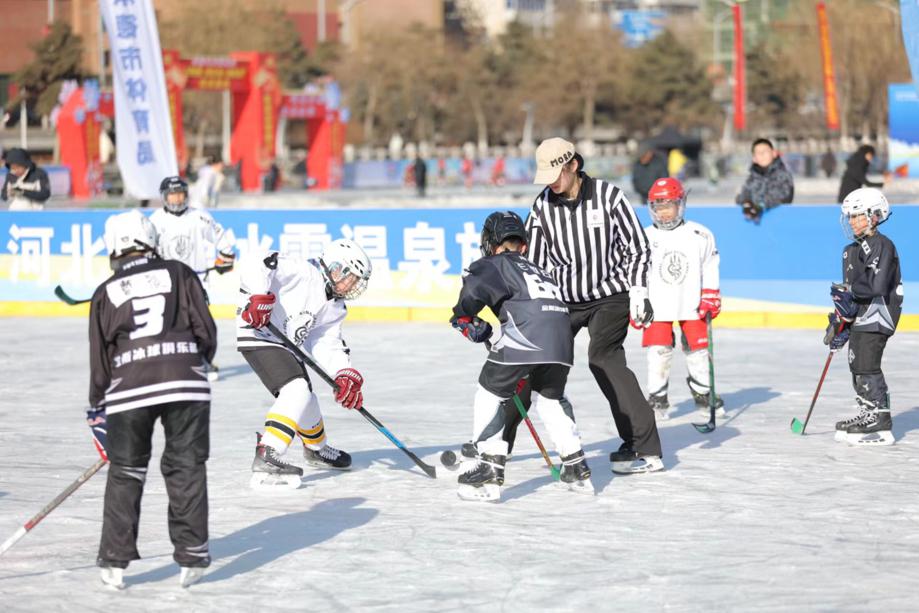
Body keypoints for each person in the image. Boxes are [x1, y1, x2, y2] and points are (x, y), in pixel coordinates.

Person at [87, 210, 217, 589]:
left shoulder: (105, 292)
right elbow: (204, 330)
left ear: (114, 247)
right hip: (185, 383)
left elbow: (100, 361)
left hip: (129, 388)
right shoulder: (179, 273)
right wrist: (198, 362)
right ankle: (192, 555)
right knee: (186, 466)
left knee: (126, 471)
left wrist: (97, 407)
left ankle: (114, 561)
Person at [524, 137, 663, 475]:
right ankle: (493, 446)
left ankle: (644, 448)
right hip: (564, 299)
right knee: (535, 361)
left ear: (572, 165)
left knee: (603, 358)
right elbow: (533, 262)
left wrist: (639, 291)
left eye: (555, 174)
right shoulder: (542, 206)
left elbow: (638, 248)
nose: (551, 184)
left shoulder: (609, 197)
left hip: (609, 295)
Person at [450, 211, 592, 502]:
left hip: (527, 335)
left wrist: (462, 317)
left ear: (490, 242)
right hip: (562, 340)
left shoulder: (494, 263)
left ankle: (487, 469)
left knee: (489, 390)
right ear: (523, 245)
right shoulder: (537, 268)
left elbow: (472, 293)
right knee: (551, 398)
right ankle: (576, 464)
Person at [237, 238, 373, 490]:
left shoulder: (335, 306)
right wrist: (258, 295)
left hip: (285, 343)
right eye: (351, 278)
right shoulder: (301, 271)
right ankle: (269, 451)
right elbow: (256, 261)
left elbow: (326, 342)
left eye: (356, 282)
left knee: (305, 398)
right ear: (335, 267)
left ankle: (316, 449)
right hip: (258, 333)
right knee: (296, 390)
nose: (352, 285)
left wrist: (343, 374)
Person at [641, 178, 724, 421]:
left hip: (692, 302)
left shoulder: (700, 234)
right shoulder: (643, 237)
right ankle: (657, 398)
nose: (663, 212)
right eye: (658, 206)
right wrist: (636, 301)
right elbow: (636, 272)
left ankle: (702, 392)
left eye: (669, 206)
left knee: (698, 350)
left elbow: (710, 265)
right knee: (658, 352)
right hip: (657, 305)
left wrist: (710, 294)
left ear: (681, 204)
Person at [824, 188, 902, 446]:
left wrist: (848, 293)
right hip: (862, 317)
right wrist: (840, 323)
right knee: (857, 364)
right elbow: (850, 297)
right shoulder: (849, 251)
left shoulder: (883, 245)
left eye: (859, 216)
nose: (853, 221)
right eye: (851, 217)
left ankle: (880, 418)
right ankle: (868, 411)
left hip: (878, 314)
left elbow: (876, 285)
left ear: (876, 216)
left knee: (867, 364)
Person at [150, 176, 236, 284]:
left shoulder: (199, 216)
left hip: (196, 279)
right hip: (166, 282)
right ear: (164, 196)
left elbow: (220, 236)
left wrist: (226, 258)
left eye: (180, 193)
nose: (177, 198)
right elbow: (148, 249)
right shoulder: (155, 220)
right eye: (172, 194)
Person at [735, 138, 794, 223]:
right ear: (754, 158)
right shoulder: (752, 178)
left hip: (779, 221)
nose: (762, 155)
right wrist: (746, 203)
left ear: (774, 153)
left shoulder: (783, 175)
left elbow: (782, 195)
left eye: (765, 151)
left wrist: (760, 205)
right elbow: (743, 195)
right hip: (755, 224)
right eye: (758, 153)